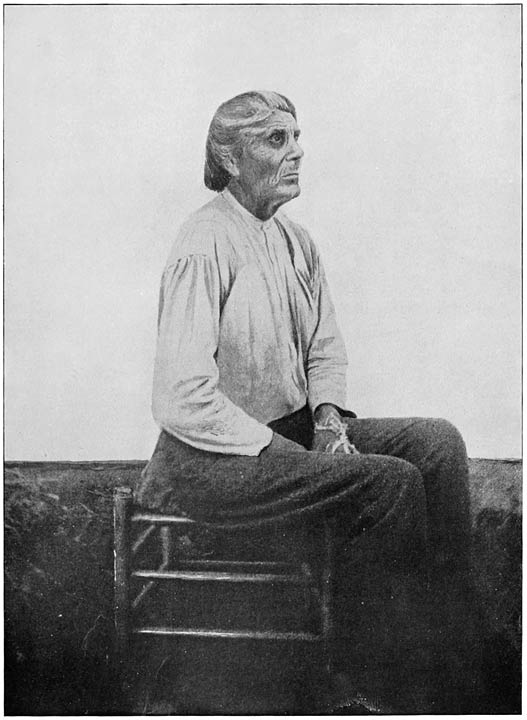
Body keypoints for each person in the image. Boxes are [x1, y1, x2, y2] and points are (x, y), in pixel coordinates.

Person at [136, 91, 480, 713]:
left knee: (437, 442)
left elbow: (325, 348)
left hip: (286, 434)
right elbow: (180, 397)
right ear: (230, 158)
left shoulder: (296, 241)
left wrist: (327, 422)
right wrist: (288, 450)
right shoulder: (202, 242)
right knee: (389, 483)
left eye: (296, 137)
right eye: (276, 140)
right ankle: (362, 683)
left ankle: (451, 644)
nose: (296, 152)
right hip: (210, 463)